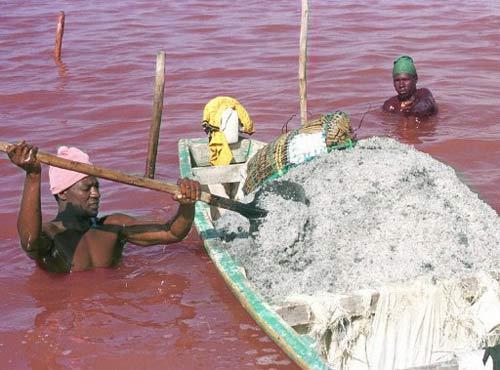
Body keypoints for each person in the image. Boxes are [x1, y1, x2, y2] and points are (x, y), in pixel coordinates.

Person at [7, 141, 201, 273]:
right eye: (87, 188)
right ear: (63, 193)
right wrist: (33, 176)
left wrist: (187, 205)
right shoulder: (51, 236)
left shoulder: (113, 226)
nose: (96, 194)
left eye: (96, 186)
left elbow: (172, 233)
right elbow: (30, 242)